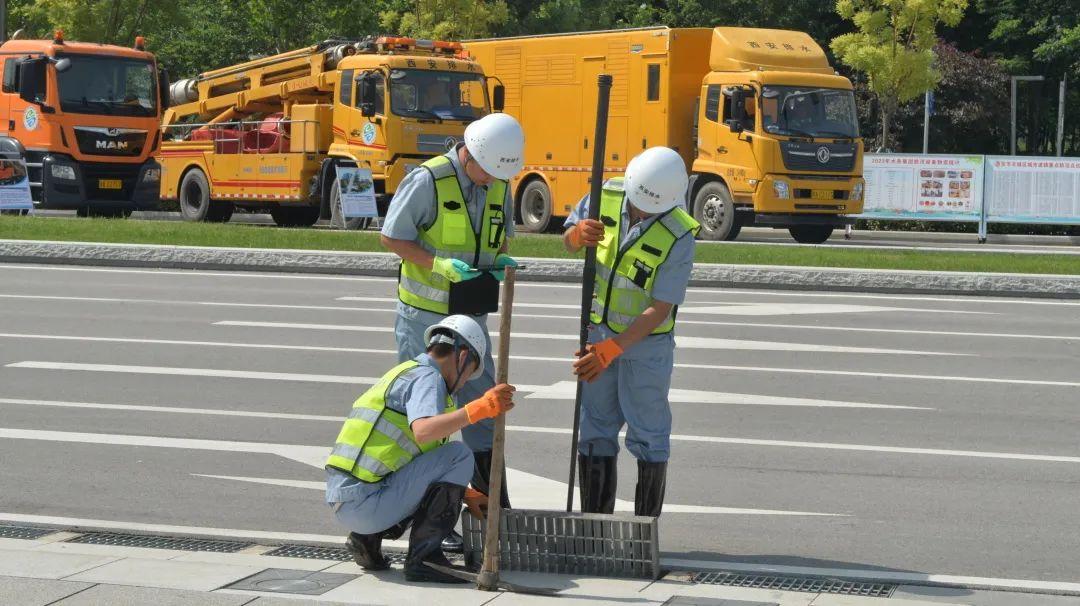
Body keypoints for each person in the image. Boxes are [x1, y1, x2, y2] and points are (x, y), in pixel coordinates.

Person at [380, 112, 524, 550]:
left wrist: (498, 261)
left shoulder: (497, 180)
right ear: (471, 153)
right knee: (426, 420)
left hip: (472, 319)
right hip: (426, 320)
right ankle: (416, 518)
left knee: (484, 411)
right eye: (487, 173)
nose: (491, 183)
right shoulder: (428, 180)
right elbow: (392, 237)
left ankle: (491, 508)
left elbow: (499, 237)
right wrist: (438, 263)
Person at [325, 315, 515, 584]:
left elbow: (415, 458)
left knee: (441, 458)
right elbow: (424, 432)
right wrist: (478, 409)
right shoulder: (428, 378)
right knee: (458, 455)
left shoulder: (406, 371)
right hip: (368, 502)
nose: (464, 383)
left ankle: (366, 540)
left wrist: (464, 492)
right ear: (462, 357)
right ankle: (425, 559)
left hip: (348, 500)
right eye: (470, 373)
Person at [562, 147, 699, 517]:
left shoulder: (679, 233)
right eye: (636, 203)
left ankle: (642, 533)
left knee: (650, 434)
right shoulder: (606, 193)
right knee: (595, 428)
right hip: (597, 333)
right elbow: (567, 241)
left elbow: (660, 308)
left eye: (648, 209)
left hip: (645, 347)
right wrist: (578, 235)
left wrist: (612, 349)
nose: (638, 212)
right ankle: (593, 529)